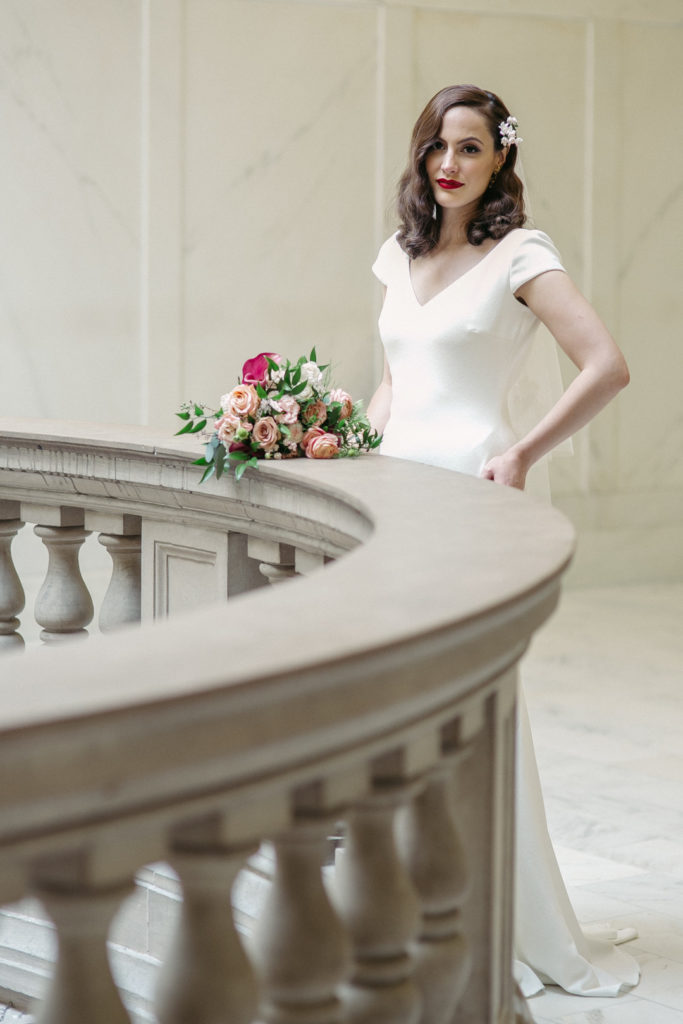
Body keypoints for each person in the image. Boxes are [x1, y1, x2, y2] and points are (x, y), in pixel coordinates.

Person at [367, 84, 639, 999]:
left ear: (498, 162)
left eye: (471, 149)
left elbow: (606, 365)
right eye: (438, 147)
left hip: (466, 496)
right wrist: (352, 452)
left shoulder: (519, 253)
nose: (449, 164)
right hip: (395, 496)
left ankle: (489, 909)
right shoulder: (398, 255)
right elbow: (393, 385)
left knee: (466, 698)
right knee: (395, 697)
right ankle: (406, 898)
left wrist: (519, 451)